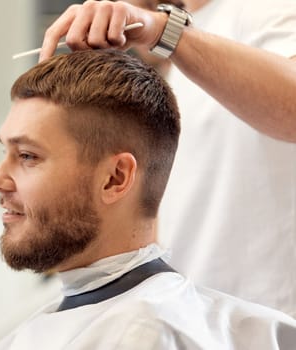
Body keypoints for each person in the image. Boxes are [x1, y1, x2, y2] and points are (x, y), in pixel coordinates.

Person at [0, 49, 296, 349]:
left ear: (115, 178)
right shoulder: (254, 329)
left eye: (27, 156)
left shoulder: (146, 332)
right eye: (6, 153)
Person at [38, 0, 296, 315]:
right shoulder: (189, 51)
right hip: (202, 321)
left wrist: (163, 31)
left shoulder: (265, 10)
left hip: (269, 323)